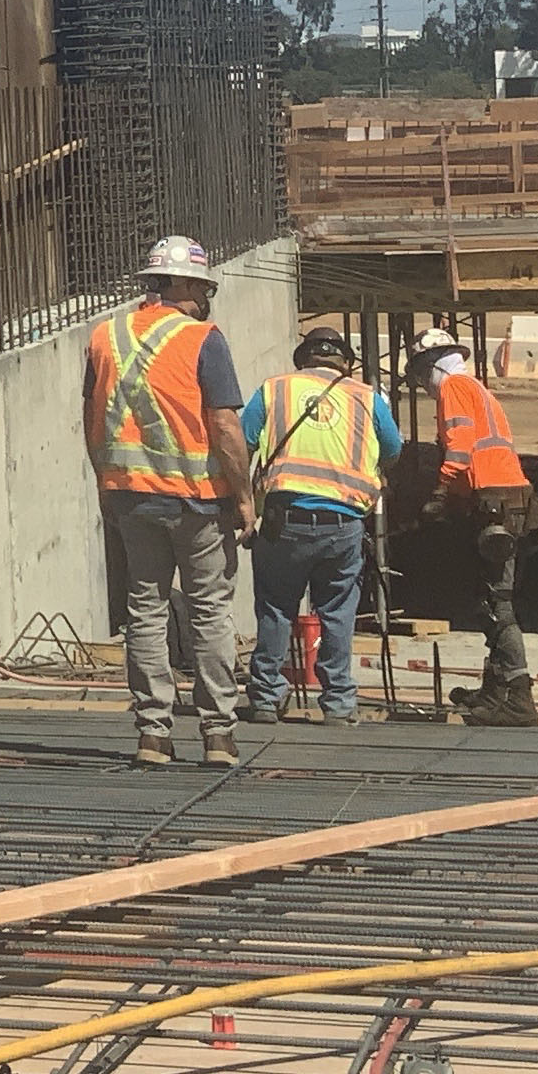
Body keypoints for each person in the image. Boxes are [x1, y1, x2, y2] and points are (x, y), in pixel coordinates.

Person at [87, 234, 252, 767]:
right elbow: (225, 426)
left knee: (146, 611)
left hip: (131, 497)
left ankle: (153, 734)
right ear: (181, 284)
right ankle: (218, 735)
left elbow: (92, 422)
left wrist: (104, 485)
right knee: (208, 613)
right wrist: (245, 498)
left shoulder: (104, 337)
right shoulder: (203, 338)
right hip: (197, 502)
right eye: (202, 286)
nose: (206, 296)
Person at [239, 328, 396, 725]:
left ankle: (265, 698)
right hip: (343, 523)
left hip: (283, 520)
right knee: (337, 612)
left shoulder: (274, 390)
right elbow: (393, 448)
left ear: (302, 359)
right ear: (344, 361)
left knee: (275, 607)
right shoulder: (366, 396)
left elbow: (241, 442)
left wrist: (240, 502)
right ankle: (339, 704)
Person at [409, 337, 538, 725]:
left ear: (435, 365)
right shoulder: (477, 389)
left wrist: (440, 490)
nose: (423, 384)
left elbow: (460, 448)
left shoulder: (454, 387)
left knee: (498, 603)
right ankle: (496, 689)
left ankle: (517, 697)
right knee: (487, 596)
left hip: (495, 501)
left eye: (423, 373)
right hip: (503, 498)